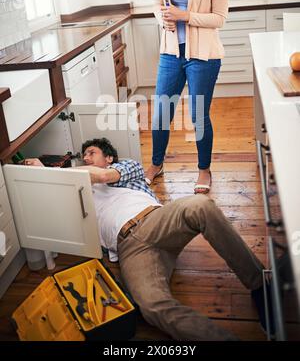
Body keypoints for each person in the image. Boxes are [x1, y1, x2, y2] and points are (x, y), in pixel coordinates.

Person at [25, 138, 271, 341]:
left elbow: (99, 176)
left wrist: (51, 171)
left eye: (91, 153)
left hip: (155, 221)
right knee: (152, 307)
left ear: (109, 158)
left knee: (200, 205)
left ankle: (260, 284)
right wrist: (40, 175)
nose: (86, 158)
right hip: (129, 249)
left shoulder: (126, 168)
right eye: (84, 156)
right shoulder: (78, 192)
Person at [145, 0, 228, 194]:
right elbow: (157, 5)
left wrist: (184, 17)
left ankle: (204, 170)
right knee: (160, 113)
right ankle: (156, 164)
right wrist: (164, 19)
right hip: (171, 52)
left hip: (202, 57)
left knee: (198, 116)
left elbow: (219, 18)